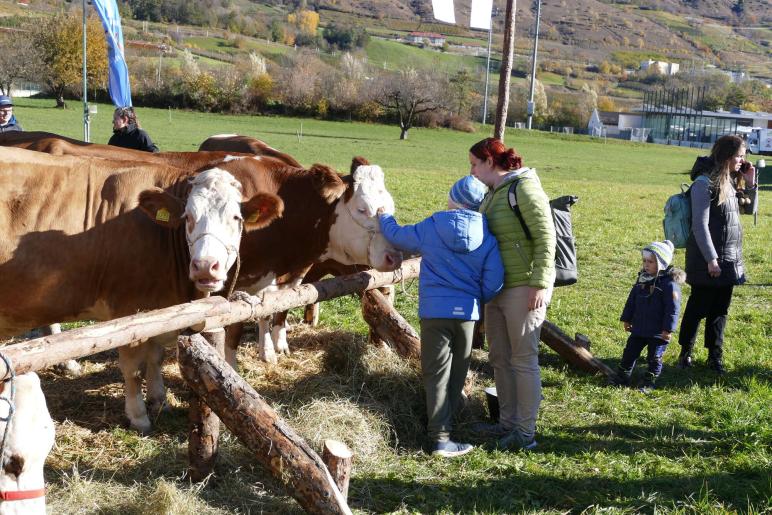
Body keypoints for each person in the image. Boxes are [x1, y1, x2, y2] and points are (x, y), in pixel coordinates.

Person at [378, 176, 504, 457]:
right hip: (467, 315)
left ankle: (439, 438)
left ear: (455, 199)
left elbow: (398, 236)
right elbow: (495, 281)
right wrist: (475, 298)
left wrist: (384, 217)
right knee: (457, 373)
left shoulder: (433, 226)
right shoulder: (488, 235)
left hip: (435, 312)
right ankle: (447, 426)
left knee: (435, 373)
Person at [468, 137, 555, 451]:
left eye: (475, 164)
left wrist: (540, 283)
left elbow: (547, 237)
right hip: (497, 289)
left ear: (491, 161)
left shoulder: (524, 188)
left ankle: (524, 432)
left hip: (523, 288)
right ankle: (505, 424)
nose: (472, 171)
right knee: (500, 359)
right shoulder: (492, 193)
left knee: (523, 360)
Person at [677, 135, 748, 374]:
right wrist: (711, 259)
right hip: (708, 258)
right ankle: (685, 353)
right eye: (739, 156)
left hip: (729, 257)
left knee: (720, 310)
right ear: (727, 156)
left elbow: (749, 211)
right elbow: (700, 224)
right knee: (698, 308)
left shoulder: (730, 181)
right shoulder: (703, 183)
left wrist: (751, 183)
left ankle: (714, 356)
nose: (742, 160)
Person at [615, 240, 685, 393]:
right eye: (644, 261)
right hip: (639, 328)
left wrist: (668, 330)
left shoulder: (669, 285)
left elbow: (673, 309)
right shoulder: (642, 279)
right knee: (629, 353)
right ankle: (622, 376)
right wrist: (627, 319)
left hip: (657, 332)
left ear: (661, 263)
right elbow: (631, 300)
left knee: (654, 358)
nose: (646, 264)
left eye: (650, 261)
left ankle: (649, 381)